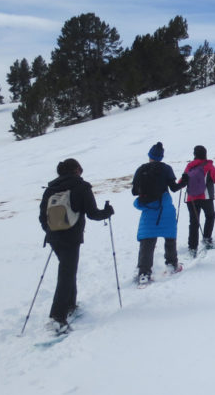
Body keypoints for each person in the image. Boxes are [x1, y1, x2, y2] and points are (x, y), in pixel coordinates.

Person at [39, 159, 114, 333]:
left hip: (53, 237)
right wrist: (108, 212)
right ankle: (57, 317)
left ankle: (70, 305)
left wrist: (51, 230)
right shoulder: (81, 186)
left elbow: (43, 216)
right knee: (66, 274)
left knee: (67, 270)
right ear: (76, 170)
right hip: (71, 237)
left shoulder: (50, 189)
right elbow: (93, 214)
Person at [131, 142, 186, 284]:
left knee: (147, 240)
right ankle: (172, 265)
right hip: (164, 207)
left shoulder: (141, 169)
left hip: (148, 208)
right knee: (169, 236)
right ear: (161, 156)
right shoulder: (166, 168)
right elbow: (173, 188)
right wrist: (184, 181)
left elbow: (134, 191)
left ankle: (144, 273)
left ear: (150, 155)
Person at [180, 145, 215, 257]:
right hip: (206, 197)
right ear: (205, 154)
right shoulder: (209, 166)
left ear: (194, 154)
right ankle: (207, 239)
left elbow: (182, 182)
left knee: (194, 222)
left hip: (191, 198)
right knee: (210, 216)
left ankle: (192, 248)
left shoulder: (189, 166)